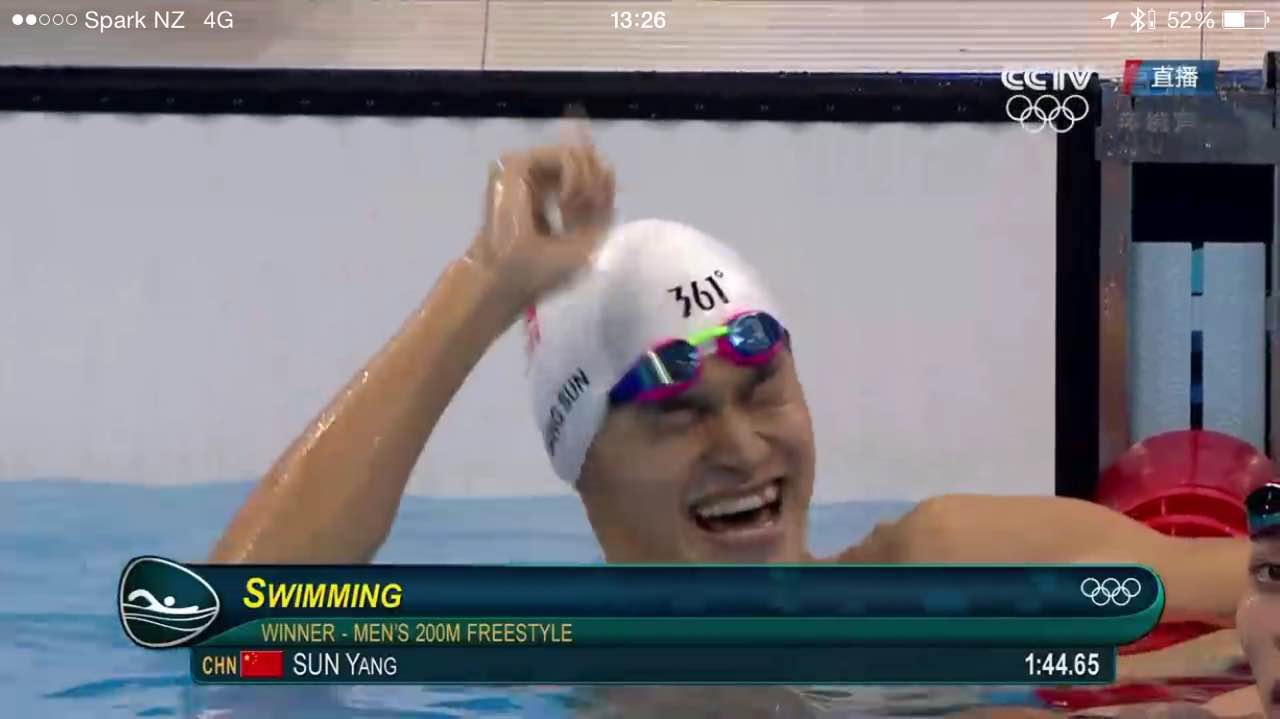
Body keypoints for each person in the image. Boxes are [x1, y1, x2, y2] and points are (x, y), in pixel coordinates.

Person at [209, 132, 1249, 631]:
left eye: (763, 388)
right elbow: (229, 623)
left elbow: (1253, 595)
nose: (745, 448)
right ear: (584, 468)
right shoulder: (528, 647)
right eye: (677, 413)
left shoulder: (952, 564)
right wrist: (482, 287)